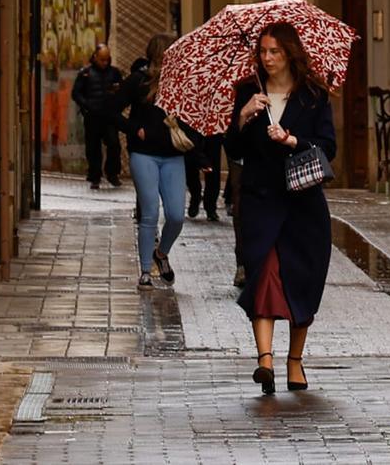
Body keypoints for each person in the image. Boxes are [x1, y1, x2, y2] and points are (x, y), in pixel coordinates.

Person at [224, 22, 336, 395]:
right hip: (260, 199)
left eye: (274, 51)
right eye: (263, 52)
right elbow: (234, 150)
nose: (267, 58)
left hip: (303, 201)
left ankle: (295, 360)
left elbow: (328, 146)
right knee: (264, 272)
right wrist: (243, 117)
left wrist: (292, 140)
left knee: (302, 277)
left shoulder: (314, 95)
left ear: (289, 53)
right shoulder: (248, 91)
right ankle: (265, 361)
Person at [111, 33, 205, 289]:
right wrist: (135, 130)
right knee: (150, 213)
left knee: (176, 215)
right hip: (144, 155)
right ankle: (144, 271)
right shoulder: (138, 80)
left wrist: (197, 150)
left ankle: (160, 254)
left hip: (173, 156)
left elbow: (192, 119)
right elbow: (110, 109)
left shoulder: (181, 83)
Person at [71, 43, 123, 189]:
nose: (104, 63)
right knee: (93, 148)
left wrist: (116, 102)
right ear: (95, 57)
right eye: (102, 59)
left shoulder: (114, 73)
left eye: (107, 59)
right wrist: (86, 105)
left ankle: (112, 173)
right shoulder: (85, 73)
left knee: (114, 145)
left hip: (109, 117)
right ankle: (95, 175)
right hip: (92, 116)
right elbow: (76, 93)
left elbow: (121, 91)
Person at [186, 134, 224, 221]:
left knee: (213, 168)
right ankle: (195, 196)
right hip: (193, 126)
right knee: (190, 163)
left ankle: (211, 206)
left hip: (213, 129)